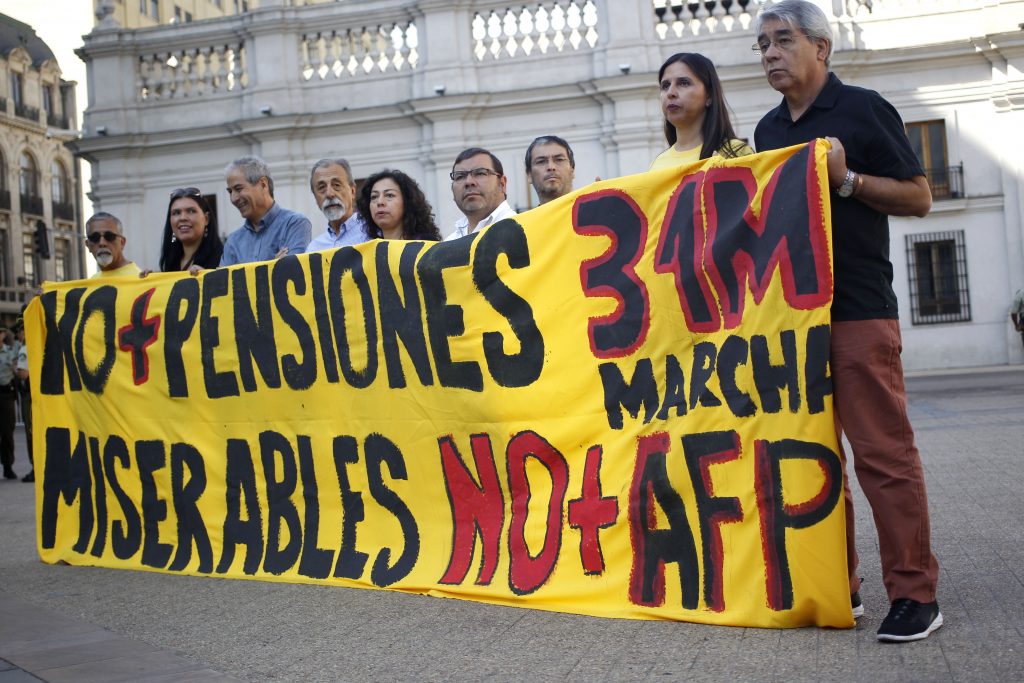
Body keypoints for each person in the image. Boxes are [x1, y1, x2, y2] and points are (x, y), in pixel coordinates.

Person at [752, 0, 940, 642]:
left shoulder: (863, 108)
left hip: (859, 308)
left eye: (782, 40)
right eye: (763, 46)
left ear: (820, 47)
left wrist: (849, 179)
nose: (771, 53)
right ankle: (842, 586)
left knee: (883, 457)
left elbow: (918, 195)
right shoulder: (768, 132)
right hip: (796, 317)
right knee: (812, 459)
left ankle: (916, 595)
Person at [650, 52, 752, 171]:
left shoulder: (734, 153)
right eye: (665, 85)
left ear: (709, 95)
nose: (670, 93)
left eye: (683, 83)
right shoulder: (658, 165)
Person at [220, 156, 312, 266]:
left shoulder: (295, 224)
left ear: (263, 184)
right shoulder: (233, 241)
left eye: (238, 189)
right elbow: (225, 282)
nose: (233, 198)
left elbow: (292, 273)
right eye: (230, 191)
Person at [445, 147, 516, 241]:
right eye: (460, 176)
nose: (469, 182)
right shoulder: (449, 243)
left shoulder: (522, 230)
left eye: (480, 173)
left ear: (502, 184)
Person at [356, 169, 442, 241]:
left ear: (407, 201)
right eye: (374, 197)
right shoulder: (369, 251)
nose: (380, 202)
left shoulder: (425, 244)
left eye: (389, 195)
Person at [307, 158, 370, 251]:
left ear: (352, 191)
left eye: (336, 185)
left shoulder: (373, 233)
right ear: (316, 198)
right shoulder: (313, 249)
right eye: (321, 188)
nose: (329, 194)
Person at [159, 188, 224, 272]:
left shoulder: (225, 258)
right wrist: (149, 280)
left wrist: (208, 279)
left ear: (206, 219)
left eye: (191, 211)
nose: (182, 218)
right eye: (176, 213)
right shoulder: (170, 262)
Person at [85, 212, 141, 277]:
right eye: (95, 237)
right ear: (88, 245)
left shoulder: (140, 279)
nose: (102, 243)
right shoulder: (92, 282)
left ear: (122, 242)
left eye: (109, 236)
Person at [526, 135, 575, 205]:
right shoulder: (525, 216)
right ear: (529, 175)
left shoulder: (594, 212)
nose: (551, 167)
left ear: (572, 170)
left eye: (559, 160)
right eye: (541, 161)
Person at [12, 320, 31, 483]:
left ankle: (35, 467)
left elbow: (24, 374)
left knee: (32, 433)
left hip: (30, 396)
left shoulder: (26, 348)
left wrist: (15, 369)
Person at [0, 327, 17, 480]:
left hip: (6, 395)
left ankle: (8, 466)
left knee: (7, 432)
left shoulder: (11, 352)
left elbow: (17, 371)